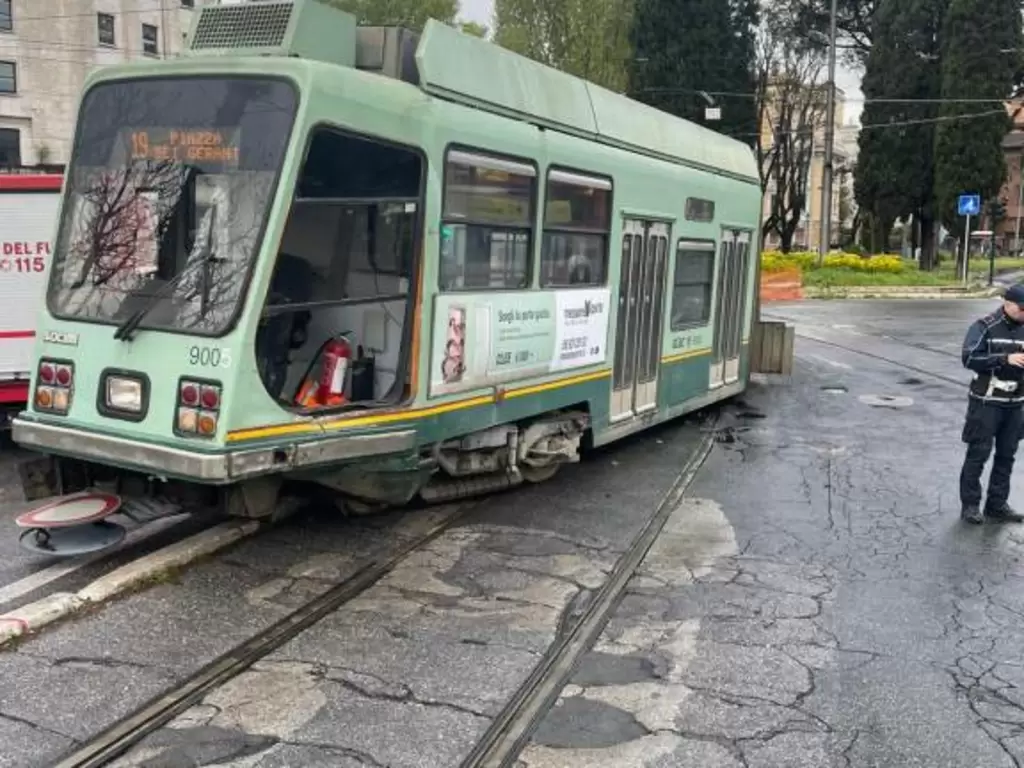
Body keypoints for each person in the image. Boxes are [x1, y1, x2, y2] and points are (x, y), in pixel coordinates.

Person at [959, 283, 1024, 524]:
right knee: (978, 454)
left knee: (1007, 455)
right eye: (1022, 309)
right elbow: (969, 358)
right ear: (1007, 304)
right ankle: (970, 505)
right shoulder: (985, 326)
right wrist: (1005, 359)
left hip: (1016, 403)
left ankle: (997, 504)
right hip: (986, 402)